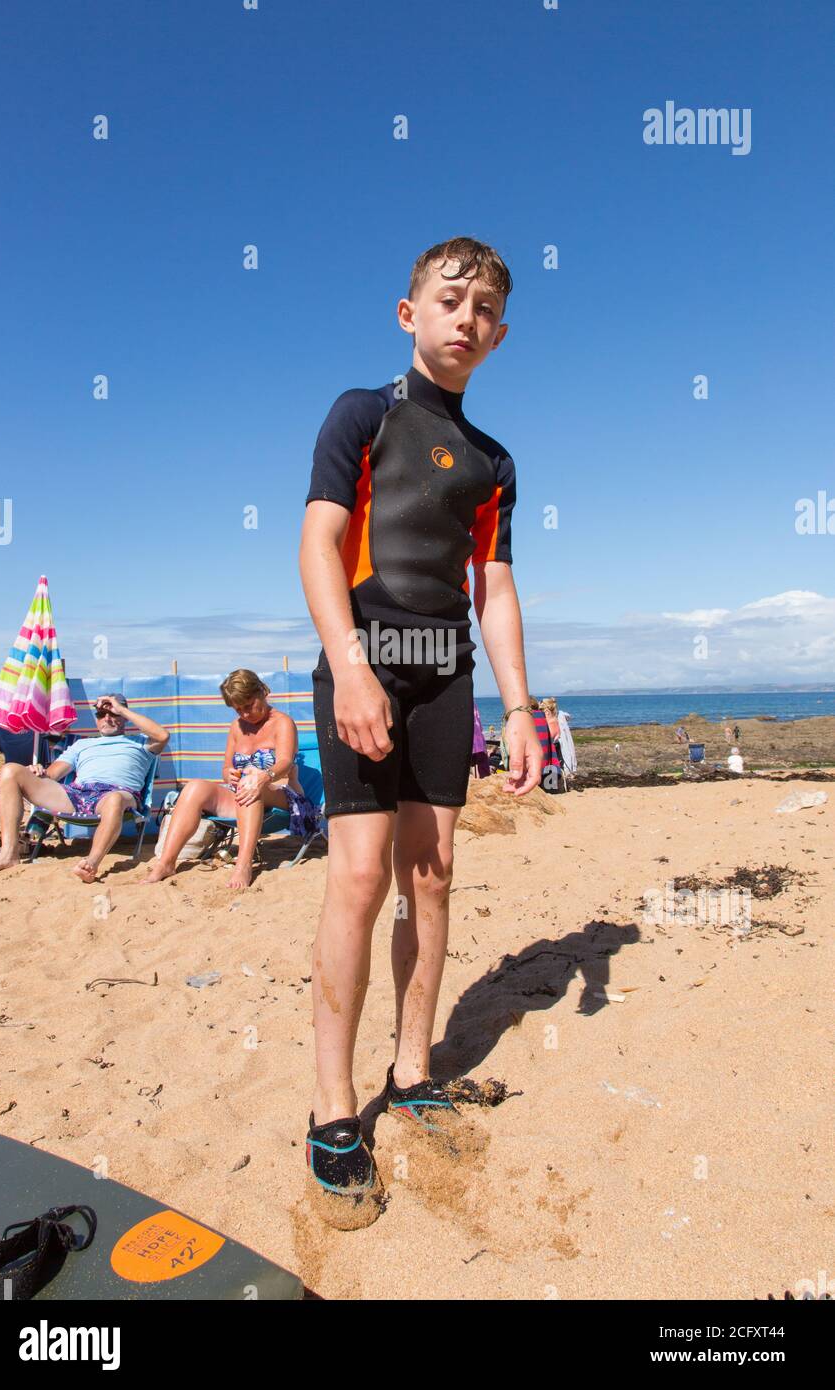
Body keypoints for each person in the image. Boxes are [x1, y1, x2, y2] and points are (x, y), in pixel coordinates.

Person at [299, 236, 542, 1218]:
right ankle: (329, 1105)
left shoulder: (492, 462)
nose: (465, 319)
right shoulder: (362, 414)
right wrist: (351, 666)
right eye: (450, 299)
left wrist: (520, 707)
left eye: (485, 309)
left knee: (432, 874)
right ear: (409, 314)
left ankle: (411, 1069)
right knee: (358, 876)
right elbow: (318, 542)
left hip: (446, 681)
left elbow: (495, 588)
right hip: (361, 663)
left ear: (499, 335)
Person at [143, 669, 320, 891]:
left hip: (283, 793)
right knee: (194, 787)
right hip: (244, 794)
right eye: (238, 710)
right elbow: (226, 768)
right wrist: (229, 774)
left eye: (248, 706)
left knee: (249, 783)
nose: (245, 715)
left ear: (262, 692)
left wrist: (263, 776)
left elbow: (284, 761)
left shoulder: (282, 722)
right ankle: (166, 862)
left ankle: (243, 865)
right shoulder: (237, 727)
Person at [0, 695, 169, 883]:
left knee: (115, 799)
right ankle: (8, 854)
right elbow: (52, 775)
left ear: (124, 716)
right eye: (101, 714)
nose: (107, 718)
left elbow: (163, 735)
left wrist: (121, 709)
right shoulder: (81, 744)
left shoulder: (141, 742)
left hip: (115, 794)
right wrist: (38, 771)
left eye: (113, 714)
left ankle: (90, 863)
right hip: (77, 794)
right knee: (10, 770)